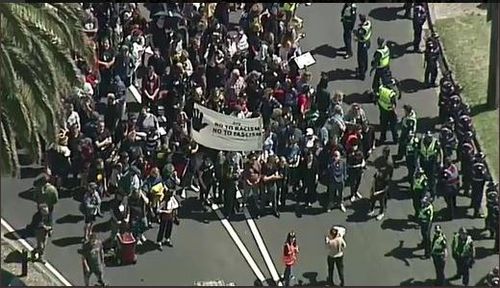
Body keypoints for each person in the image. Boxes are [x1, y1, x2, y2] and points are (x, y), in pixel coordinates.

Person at [418, 131, 441, 198]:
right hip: (423, 162)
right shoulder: (421, 141)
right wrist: (417, 164)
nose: (429, 138)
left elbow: (440, 151)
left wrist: (441, 161)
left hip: (432, 162)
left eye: (430, 137)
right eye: (428, 137)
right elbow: (417, 152)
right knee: (423, 177)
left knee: (431, 178)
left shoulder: (435, 142)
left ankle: (432, 193)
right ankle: (423, 193)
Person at [353, 14, 371, 80]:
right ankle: (365, 68)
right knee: (365, 57)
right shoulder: (368, 23)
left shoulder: (362, 29)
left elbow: (359, 35)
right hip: (368, 41)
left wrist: (355, 34)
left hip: (362, 43)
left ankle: (361, 74)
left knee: (361, 59)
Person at [471, 153, 489, 218]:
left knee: (474, 193)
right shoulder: (480, 166)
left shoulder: (472, 162)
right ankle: (476, 212)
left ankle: (472, 204)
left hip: (473, 181)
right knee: (478, 197)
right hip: (479, 182)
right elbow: (484, 175)